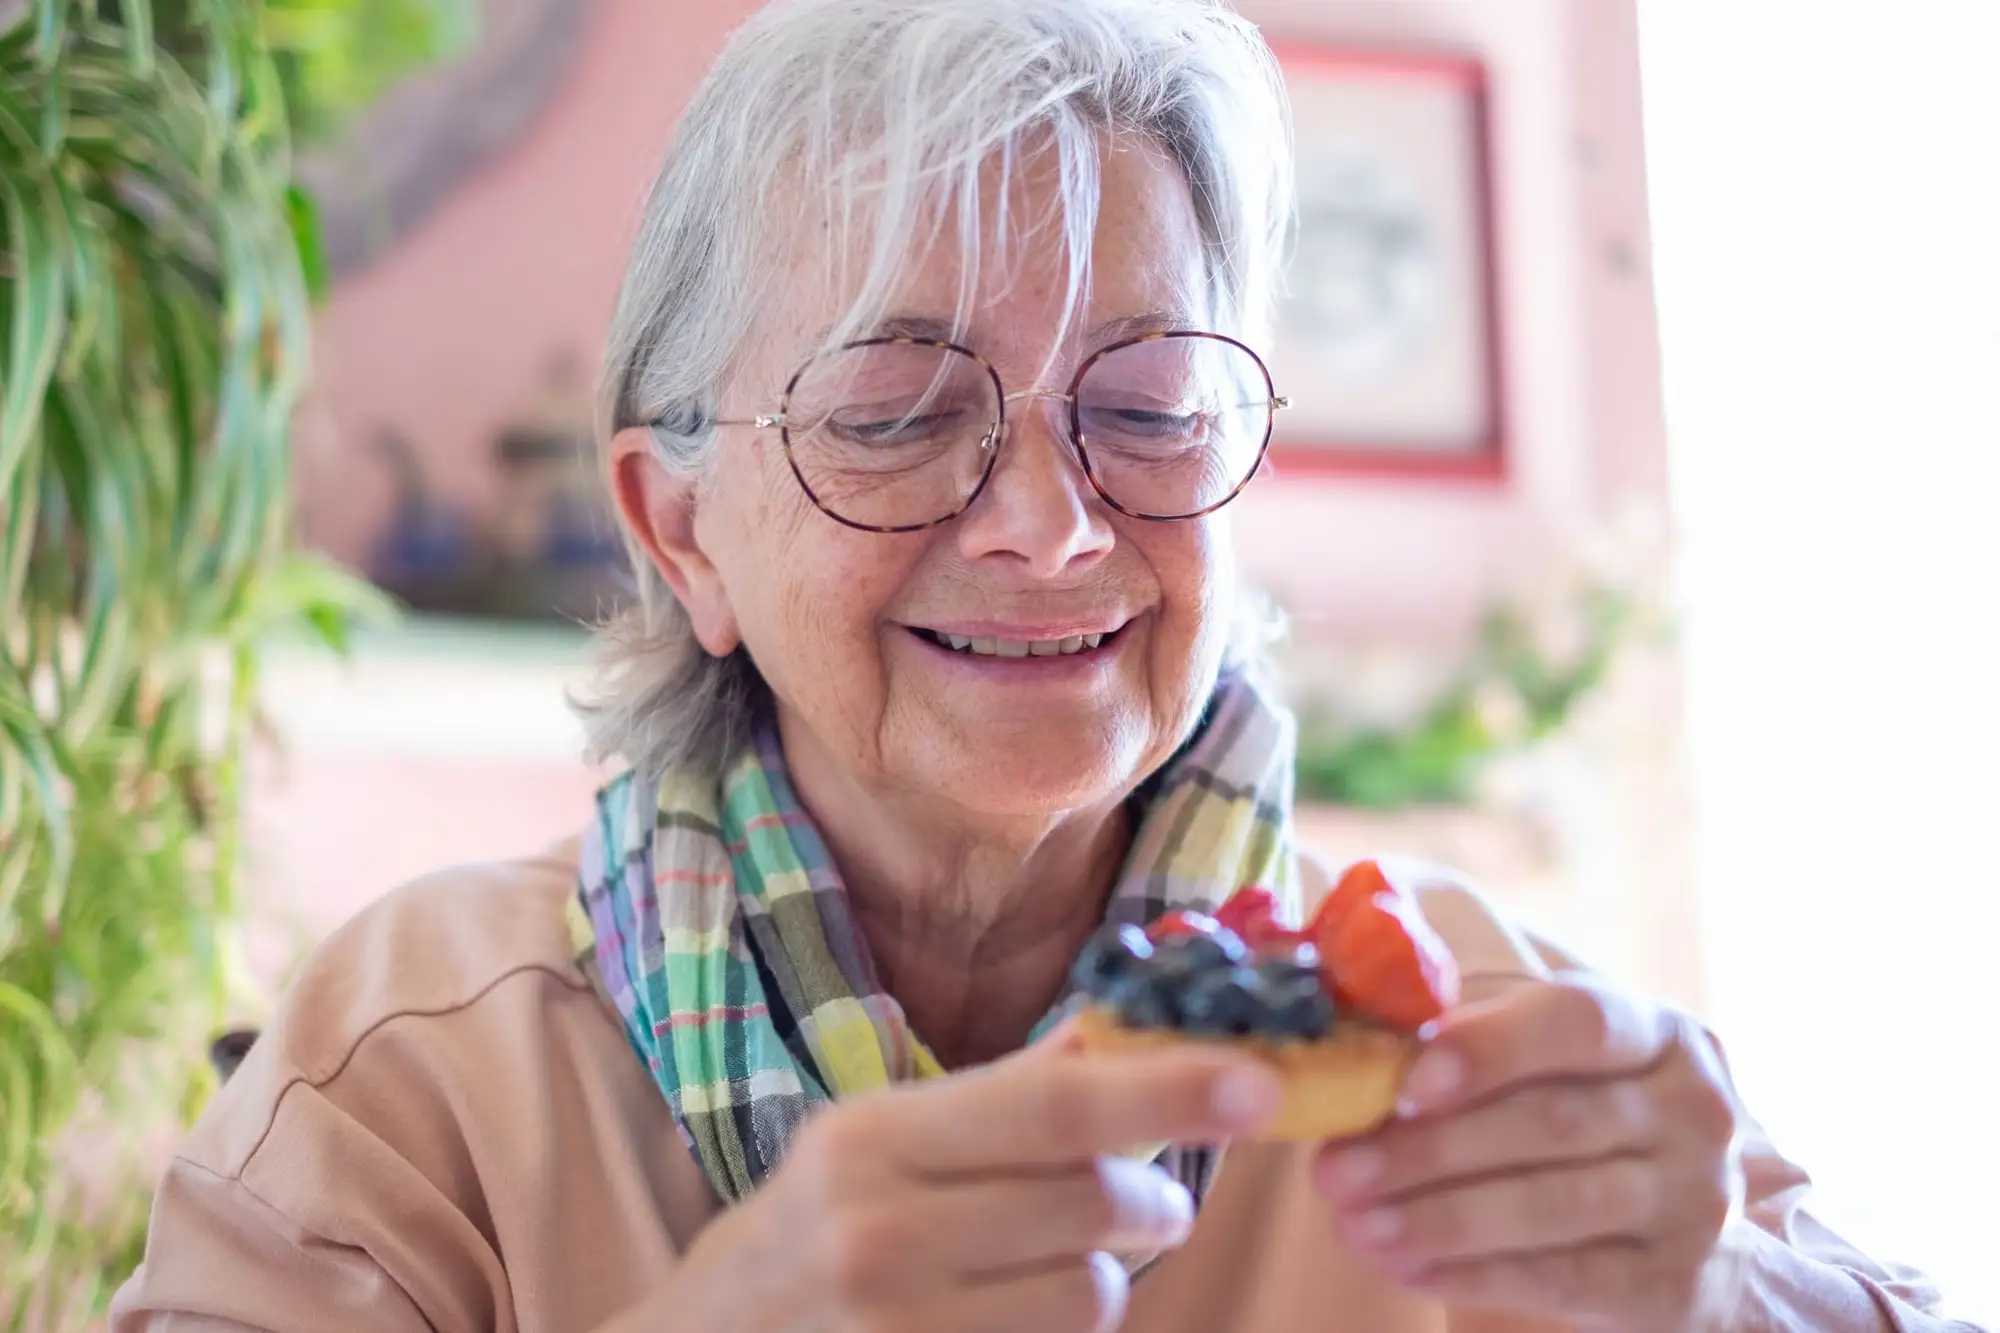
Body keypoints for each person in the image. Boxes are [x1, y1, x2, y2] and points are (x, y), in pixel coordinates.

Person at [111, 1, 1976, 1329]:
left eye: (1149, 410)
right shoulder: (416, 1067)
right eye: (903, 412)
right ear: (681, 531)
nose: (1051, 525)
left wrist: (1728, 1293)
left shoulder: (1469, 1032)